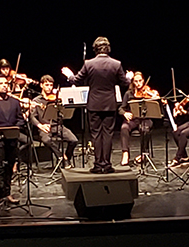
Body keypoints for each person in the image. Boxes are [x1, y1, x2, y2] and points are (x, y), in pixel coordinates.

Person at [62, 36, 133, 174]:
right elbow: (125, 83)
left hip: (94, 104)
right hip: (110, 104)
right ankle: (106, 164)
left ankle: (97, 164)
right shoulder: (116, 64)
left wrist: (70, 75)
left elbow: (76, 80)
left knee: (96, 135)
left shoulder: (89, 64)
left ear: (95, 49)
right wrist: (129, 77)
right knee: (107, 134)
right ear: (108, 48)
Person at [0, 75, 25, 206]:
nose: (4, 85)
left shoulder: (14, 102)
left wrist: (14, 127)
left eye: (6, 83)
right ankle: (0, 195)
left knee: (9, 168)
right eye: (1, 83)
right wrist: (1, 129)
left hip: (12, 140)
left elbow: (20, 119)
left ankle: (7, 193)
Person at [31, 75, 78, 169]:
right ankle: (62, 158)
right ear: (41, 85)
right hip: (44, 127)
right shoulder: (36, 100)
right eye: (46, 85)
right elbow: (32, 117)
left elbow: (65, 113)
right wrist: (40, 126)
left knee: (74, 140)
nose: (49, 87)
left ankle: (67, 157)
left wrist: (61, 100)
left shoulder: (56, 99)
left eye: (51, 85)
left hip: (58, 126)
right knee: (46, 140)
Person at [118, 72, 156, 166]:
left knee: (145, 129)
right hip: (133, 120)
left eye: (140, 81)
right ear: (133, 82)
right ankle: (125, 153)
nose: (138, 83)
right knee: (124, 128)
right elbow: (121, 108)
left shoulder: (147, 92)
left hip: (145, 119)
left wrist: (154, 97)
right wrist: (125, 113)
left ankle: (144, 153)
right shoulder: (128, 93)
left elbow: (156, 104)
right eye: (136, 81)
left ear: (143, 81)